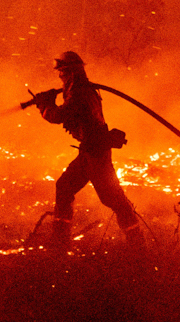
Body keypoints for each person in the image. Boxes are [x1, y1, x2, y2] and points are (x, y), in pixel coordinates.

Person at [31, 51, 144, 249]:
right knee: (64, 187)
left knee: (113, 198)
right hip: (88, 151)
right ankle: (59, 241)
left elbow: (59, 116)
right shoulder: (78, 90)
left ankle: (137, 243)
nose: (60, 77)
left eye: (63, 73)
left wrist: (45, 105)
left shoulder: (80, 93)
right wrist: (48, 101)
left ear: (71, 73)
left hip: (96, 153)